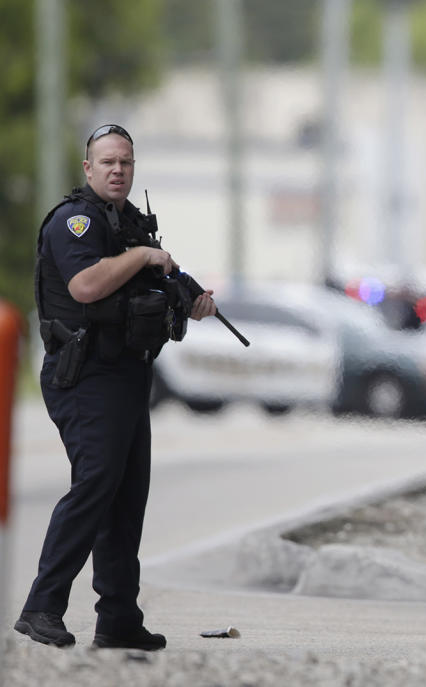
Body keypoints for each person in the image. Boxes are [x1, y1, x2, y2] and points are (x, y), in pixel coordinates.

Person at [14, 124, 217, 650]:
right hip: (83, 376)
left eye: (125, 162)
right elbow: (86, 286)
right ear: (88, 168)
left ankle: (118, 619)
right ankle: (41, 606)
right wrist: (145, 257)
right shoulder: (74, 221)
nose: (117, 170)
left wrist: (188, 297)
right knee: (96, 484)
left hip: (127, 374)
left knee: (127, 498)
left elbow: (151, 288)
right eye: (107, 162)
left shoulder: (128, 224)